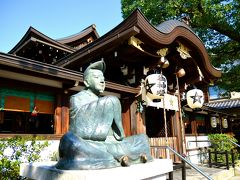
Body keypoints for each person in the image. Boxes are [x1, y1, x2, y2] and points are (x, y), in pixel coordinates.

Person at [56, 60, 153, 170]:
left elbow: (119, 136)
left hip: (110, 143)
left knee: (142, 139)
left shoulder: (103, 101)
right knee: (71, 142)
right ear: (87, 82)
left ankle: (110, 156)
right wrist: (107, 104)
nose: (102, 81)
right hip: (90, 143)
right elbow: (78, 130)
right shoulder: (77, 98)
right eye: (97, 77)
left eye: (103, 78)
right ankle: (122, 156)